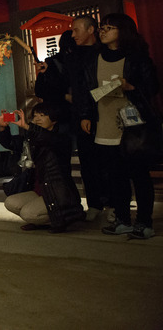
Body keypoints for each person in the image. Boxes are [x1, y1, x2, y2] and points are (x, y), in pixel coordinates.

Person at [75, 13, 160, 240]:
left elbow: (152, 87)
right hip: (105, 124)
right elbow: (85, 90)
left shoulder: (137, 57)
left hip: (134, 126)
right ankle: (122, 219)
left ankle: (144, 222)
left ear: (123, 30)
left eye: (109, 28)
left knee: (139, 175)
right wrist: (85, 115)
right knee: (115, 176)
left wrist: (130, 86)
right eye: (102, 27)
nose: (103, 31)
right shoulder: (94, 58)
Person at [0, 104, 84, 233]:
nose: (37, 119)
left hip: (58, 195)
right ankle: (41, 220)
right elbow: (11, 143)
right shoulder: (32, 138)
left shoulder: (61, 139)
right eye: (35, 116)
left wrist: (27, 126)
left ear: (54, 120)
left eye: (42, 116)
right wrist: (3, 128)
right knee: (10, 202)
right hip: (40, 191)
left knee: (28, 213)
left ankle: (63, 219)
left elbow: (49, 138)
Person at [69, 15, 111, 221]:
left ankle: (112, 203)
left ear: (91, 30)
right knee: (87, 160)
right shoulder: (74, 54)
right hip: (80, 114)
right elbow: (78, 88)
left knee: (108, 160)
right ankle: (94, 203)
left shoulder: (104, 52)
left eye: (77, 30)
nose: (73, 34)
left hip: (105, 111)